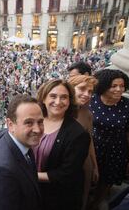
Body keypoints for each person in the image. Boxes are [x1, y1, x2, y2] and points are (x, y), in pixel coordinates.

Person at [0, 95, 44, 210]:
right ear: (10, 125)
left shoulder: (3, 134)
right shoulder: (2, 173)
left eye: (40, 122)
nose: (37, 129)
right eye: (29, 123)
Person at [35, 79, 90, 210]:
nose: (58, 102)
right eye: (53, 96)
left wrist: (28, 175)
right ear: (43, 98)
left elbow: (67, 174)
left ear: (70, 101)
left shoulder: (78, 134)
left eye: (64, 97)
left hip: (55, 198)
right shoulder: (34, 120)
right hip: (30, 190)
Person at [89, 69, 129, 210]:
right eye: (114, 86)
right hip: (92, 147)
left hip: (115, 151)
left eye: (122, 86)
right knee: (90, 178)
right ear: (103, 86)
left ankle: (96, 203)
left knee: (105, 183)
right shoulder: (92, 99)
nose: (119, 89)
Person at [68, 75, 99, 210]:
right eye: (82, 89)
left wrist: (94, 166)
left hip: (84, 164)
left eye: (90, 91)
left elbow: (89, 140)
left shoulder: (87, 114)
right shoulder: (58, 111)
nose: (87, 94)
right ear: (70, 89)